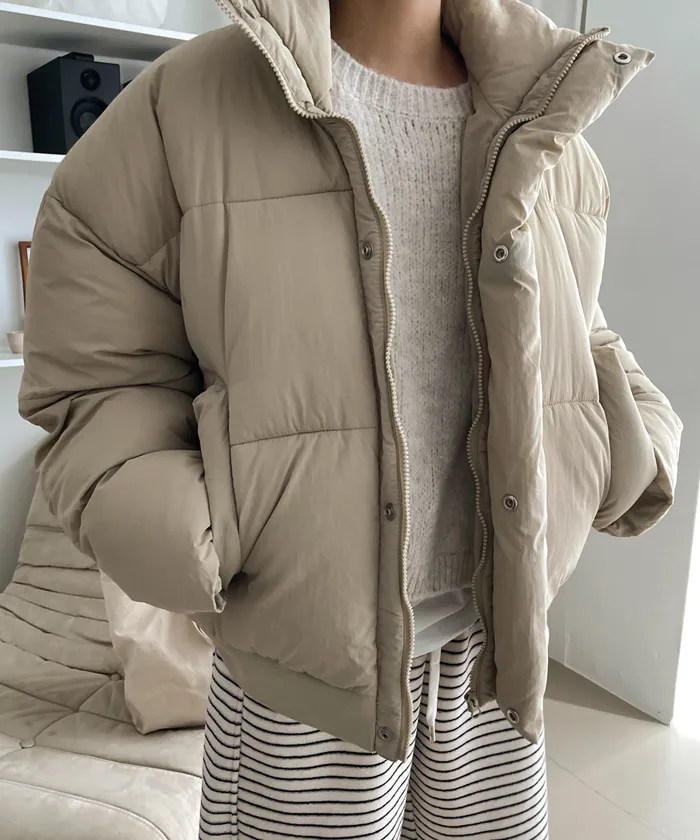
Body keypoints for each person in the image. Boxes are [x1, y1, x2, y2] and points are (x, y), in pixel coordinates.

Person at [19, 0, 682, 837]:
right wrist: (199, 527)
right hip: (304, 667)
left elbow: (580, 331)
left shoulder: (548, 108)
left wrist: (631, 441)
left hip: (500, 650)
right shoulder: (185, 104)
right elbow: (95, 364)